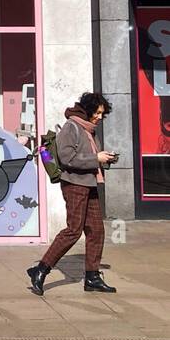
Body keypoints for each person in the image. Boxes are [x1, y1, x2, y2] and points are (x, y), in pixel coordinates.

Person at [27, 92, 118, 294]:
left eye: (103, 114)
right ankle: (40, 269)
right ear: (88, 109)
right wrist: (97, 158)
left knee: (96, 230)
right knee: (73, 230)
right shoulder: (72, 126)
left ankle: (92, 277)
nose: (100, 117)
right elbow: (67, 157)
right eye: (98, 113)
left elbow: (87, 156)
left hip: (89, 183)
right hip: (74, 184)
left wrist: (104, 159)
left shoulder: (88, 129)